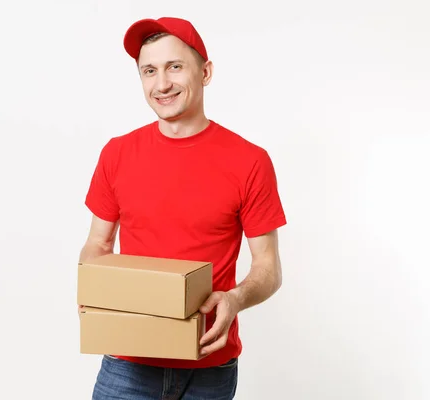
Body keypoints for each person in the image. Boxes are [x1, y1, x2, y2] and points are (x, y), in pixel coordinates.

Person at [78, 16, 287, 400]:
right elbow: (97, 245)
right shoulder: (117, 153)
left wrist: (235, 299)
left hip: (209, 367)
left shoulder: (249, 161)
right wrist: (90, 293)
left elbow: (268, 268)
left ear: (205, 72)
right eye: (149, 71)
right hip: (127, 361)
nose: (162, 84)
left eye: (175, 67)